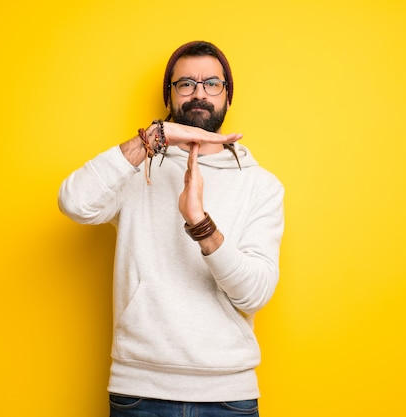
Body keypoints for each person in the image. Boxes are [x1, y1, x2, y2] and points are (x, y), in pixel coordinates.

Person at [58, 40, 284, 417]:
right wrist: (150, 141)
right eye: (186, 84)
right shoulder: (137, 169)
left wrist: (200, 223)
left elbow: (254, 294)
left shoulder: (261, 186)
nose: (199, 93)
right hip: (140, 391)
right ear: (170, 94)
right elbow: (74, 203)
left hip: (228, 396)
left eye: (212, 83)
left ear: (228, 96)